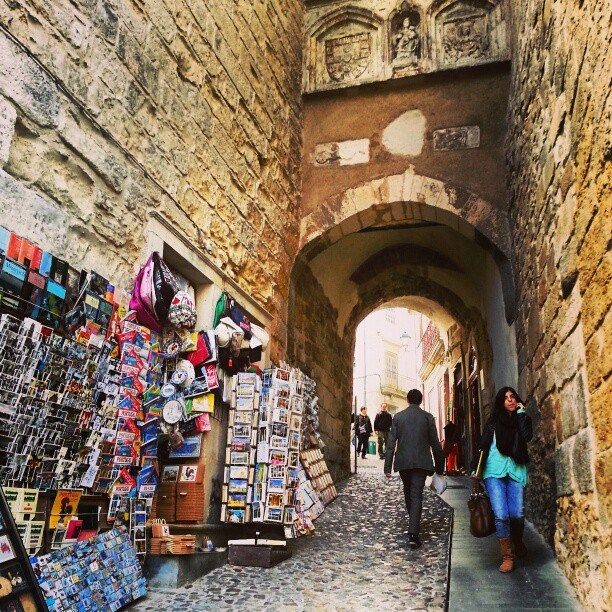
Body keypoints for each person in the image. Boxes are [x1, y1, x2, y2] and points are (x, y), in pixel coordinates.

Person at [471, 386, 533, 573]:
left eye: (513, 396)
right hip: (493, 471)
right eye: (506, 398)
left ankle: (518, 540)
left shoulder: (522, 419)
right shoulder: (492, 423)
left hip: (515, 470)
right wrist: (475, 468)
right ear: (501, 402)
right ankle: (507, 556)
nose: (510, 400)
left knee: (517, 514)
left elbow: (526, 436)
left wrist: (521, 414)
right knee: (501, 514)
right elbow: (483, 445)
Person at [385, 389, 445, 548]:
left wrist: (387, 467)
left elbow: (391, 442)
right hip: (421, 462)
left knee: (408, 491)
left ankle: (413, 523)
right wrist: (440, 467)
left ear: (407, 400)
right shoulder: (427, 417)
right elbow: (435, 443)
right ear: (421, 400)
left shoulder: (398, 417)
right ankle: (413, 532)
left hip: (403, 462)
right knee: (416, 494)